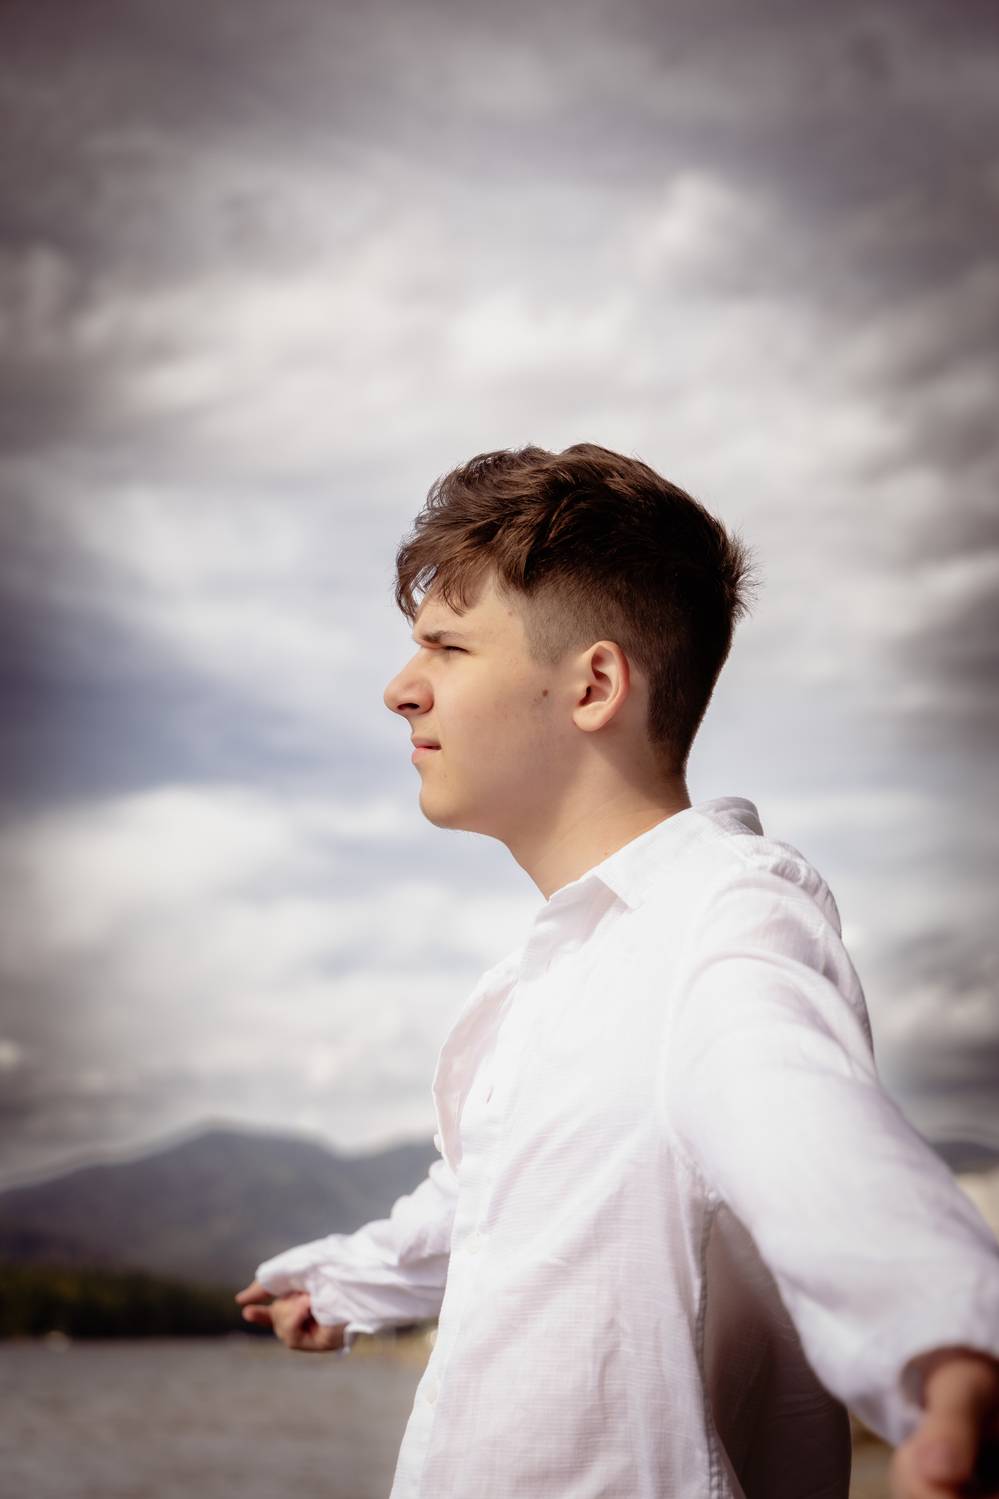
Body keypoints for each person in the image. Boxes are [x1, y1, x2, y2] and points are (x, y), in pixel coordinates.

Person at [236, 443, 999, 1498]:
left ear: (594, 684)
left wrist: (949, 1351)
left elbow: (805, 1128)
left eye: (446, 647)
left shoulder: (725, 915)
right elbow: (491, 1195)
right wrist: (339, 1282)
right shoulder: (562, 965)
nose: (399, 690)